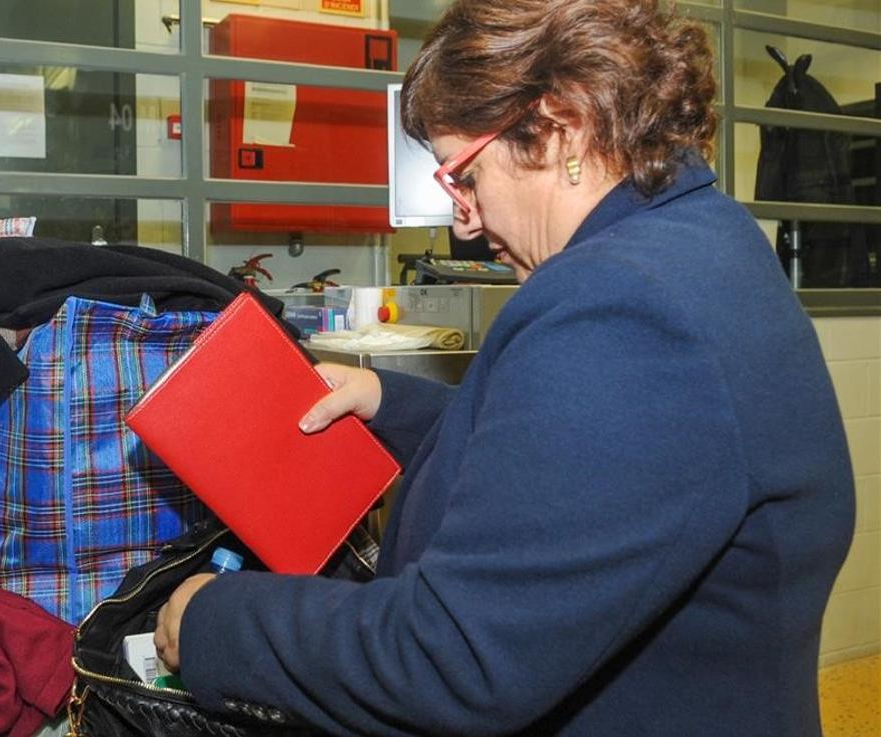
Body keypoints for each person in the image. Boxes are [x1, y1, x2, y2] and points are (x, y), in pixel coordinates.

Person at [155, 1, 856, 734]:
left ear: (563, 126)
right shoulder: (705, 238)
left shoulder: (619, 305)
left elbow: (457, 658)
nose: (462, 219)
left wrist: (219, 620)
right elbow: (599, 471)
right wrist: (386, 402)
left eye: (463, 174)